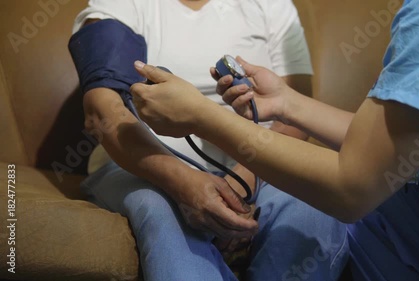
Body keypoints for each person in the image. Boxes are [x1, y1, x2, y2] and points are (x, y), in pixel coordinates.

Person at [130, 0, 419, 280]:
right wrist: (286, 104)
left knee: (313, 209)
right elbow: (388, 144)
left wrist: (201, 117)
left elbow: (351, 187)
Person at [70, 0, 349, 280]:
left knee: (313, 209)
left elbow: (294, 114)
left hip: (260, 167)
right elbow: (102, 112)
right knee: (162, 211)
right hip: (143, 167)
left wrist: (242, 183)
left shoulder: (272, 6)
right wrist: (181, 182)